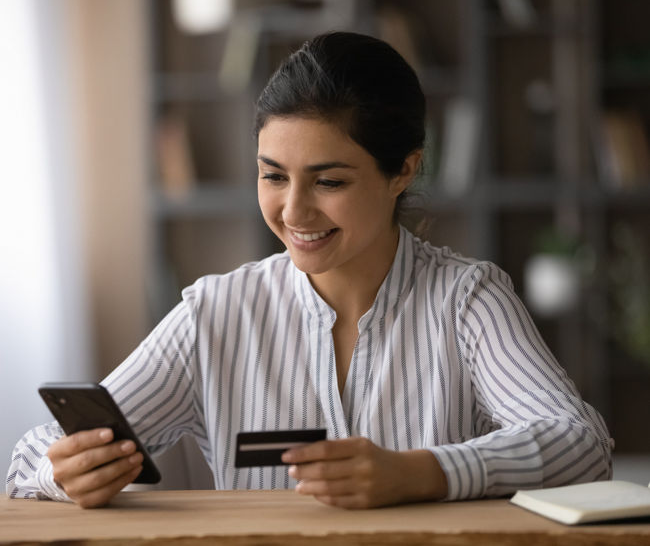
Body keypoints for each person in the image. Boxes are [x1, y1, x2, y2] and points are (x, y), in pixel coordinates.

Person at [6, 31, 612, 510]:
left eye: (329, 181)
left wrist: (421, 472)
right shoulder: (215, 314)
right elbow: (29, 455)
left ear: (403, 169)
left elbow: (579, 443)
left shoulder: (466, 298)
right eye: (273, 176)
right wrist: (64, 473)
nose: (294, 211)